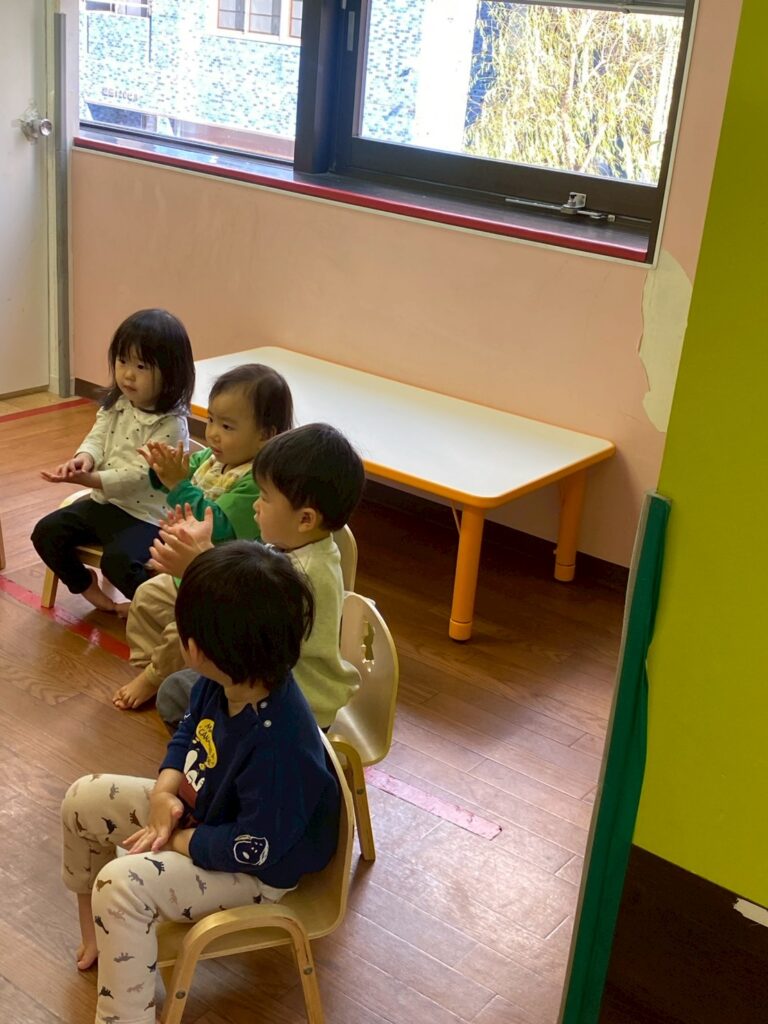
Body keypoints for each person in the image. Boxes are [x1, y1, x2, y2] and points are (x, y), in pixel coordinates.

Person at [61, 542, 341, 1024]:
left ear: (203, 648)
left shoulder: (280, 746)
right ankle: (100, 942)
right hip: (208, 815)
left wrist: (177, 840)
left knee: (121, 885)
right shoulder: (227, 678)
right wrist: (164, 791)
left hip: (255, 871)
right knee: (82, 799)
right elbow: (191, 730)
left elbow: (254, 849)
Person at [150, 422, 366, 733]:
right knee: (189, 685)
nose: (255, 504)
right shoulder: (303, 545)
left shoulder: (301, 575)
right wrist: (206, 552)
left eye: (264, 497)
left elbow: (237, 627)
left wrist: (199, 565)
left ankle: (217, 757)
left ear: (305, 519)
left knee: (174, 695)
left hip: (291, 707)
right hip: (280, 683)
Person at [112, 363, 293, 710]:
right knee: (146, 598)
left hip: (223, 587)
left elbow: (219, 525)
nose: (212, 434)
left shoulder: (256, 481)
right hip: (189, 570)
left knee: (182, 630)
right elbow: (182, 477)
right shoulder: (212, 459)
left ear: (266, 435)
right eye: (210, 420)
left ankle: (156, 677)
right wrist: (161, 472)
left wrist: (178, 485)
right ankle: (167, 670)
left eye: (227, 426)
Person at [31, 308, 195, 611]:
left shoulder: (171, 424)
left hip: (147, 516)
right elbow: (97, 436)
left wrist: (91, 479)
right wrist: (84, 459)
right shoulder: (119, 401)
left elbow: (141, 475)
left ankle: (155, 608)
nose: (128, 374)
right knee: (46, 532)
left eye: (141, 366)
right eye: (122, 361)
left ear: (171, 373)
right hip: (105, 502)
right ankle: (85, 585)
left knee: (118, 561)